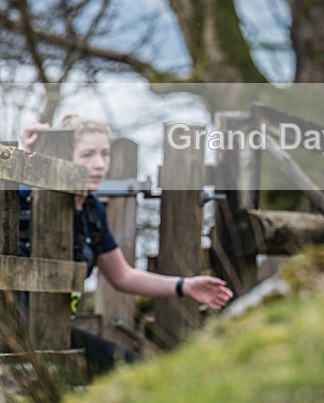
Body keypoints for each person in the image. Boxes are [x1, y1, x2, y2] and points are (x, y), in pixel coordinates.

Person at [18, 115, 233, 375]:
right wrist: (22, 159)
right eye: (87, 154)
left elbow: (123, 275)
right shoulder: (25, 198)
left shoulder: (92, 210)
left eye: (105, 154)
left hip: (54, 330)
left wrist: (185, 285)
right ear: (62, 156)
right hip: (14, 329)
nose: (99, 164)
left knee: (134, 369)